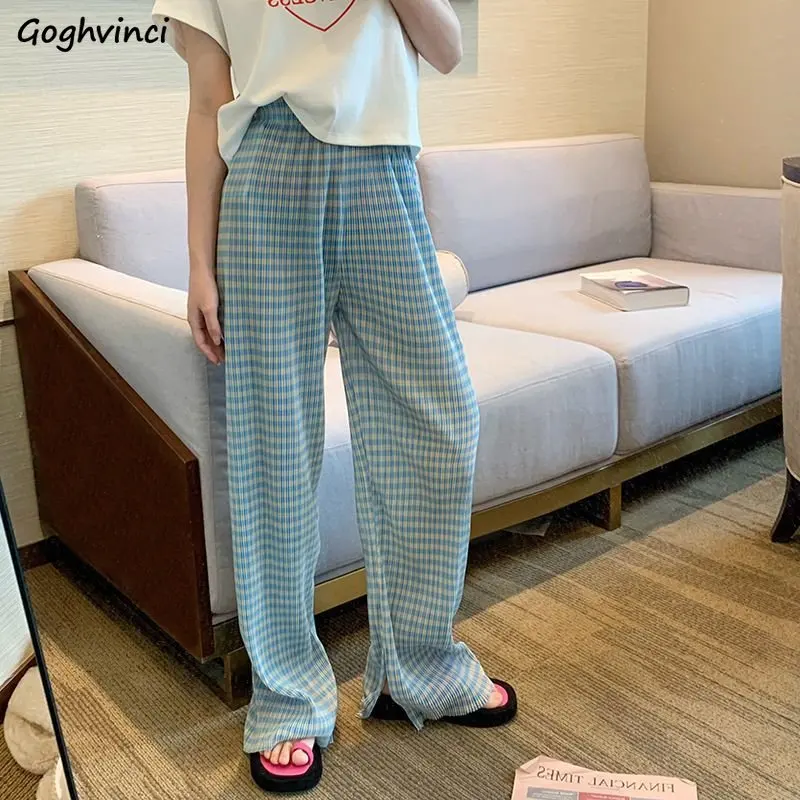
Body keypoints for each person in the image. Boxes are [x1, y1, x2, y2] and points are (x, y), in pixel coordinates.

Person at [151, 0, 517, 792]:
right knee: (274, 442)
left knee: (442, 418)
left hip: (385, 171)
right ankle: (288, 696)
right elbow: (208, 100)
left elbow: (446, 48)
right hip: (267, 176)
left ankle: (418, 666)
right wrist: (199, 263)